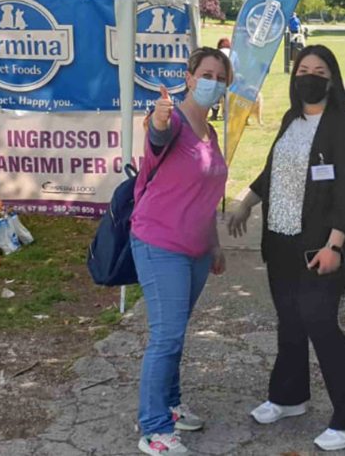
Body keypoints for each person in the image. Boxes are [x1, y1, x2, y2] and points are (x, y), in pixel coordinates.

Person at [228, 45, 345, 452]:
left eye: (319, 71)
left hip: (320, 246)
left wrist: (334, 246)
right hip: (280, 239)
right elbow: (272, 172)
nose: (309, 77)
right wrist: (246, 202)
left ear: (332, 80)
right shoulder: (290, 121)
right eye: (303, 70)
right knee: (290, 321)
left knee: (319, 322)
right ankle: (289, 396)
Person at [131, 47, 232, 455]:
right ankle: (154, 430)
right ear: (189, 78)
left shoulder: (210, 133)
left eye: (221, 78)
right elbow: (157, 136)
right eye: (206, 74)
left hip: (197, 250)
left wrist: (215, 244)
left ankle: (170, 406)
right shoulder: (173, 121)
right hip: (160, 243)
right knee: (166, 336)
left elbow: (204, 196)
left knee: (175, 332)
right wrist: (157, 120)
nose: (213, 83)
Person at [210, 38, 231, 121]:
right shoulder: (233, 53)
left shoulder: (216, 53)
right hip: (230, 75)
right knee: (227, 95)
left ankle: (214, 114)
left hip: (218, 75)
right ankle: (226, 115)